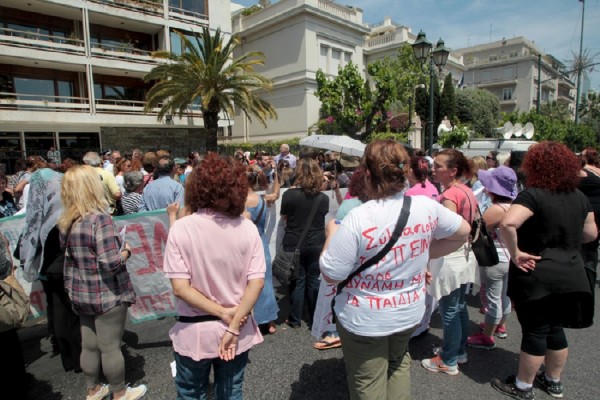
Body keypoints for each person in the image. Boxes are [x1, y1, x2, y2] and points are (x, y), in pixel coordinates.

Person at [320, 140, 471, 400]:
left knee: (369, 380)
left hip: (365, 317)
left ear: (367, 174)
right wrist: (423, 252)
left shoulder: (359, 217)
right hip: (407, 311)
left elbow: (332, 274)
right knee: (398, 363)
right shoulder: (426, 207)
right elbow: (463, 232)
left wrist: (330, 236)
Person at [491, 142, 597, 400]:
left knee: (536, 329)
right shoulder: (579, 196)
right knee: (555, 328)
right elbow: (590, 233)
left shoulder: (533, 194)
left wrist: (515, 253)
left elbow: (508, 222)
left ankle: (523, 385)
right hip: (571, 273)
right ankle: (553, 380)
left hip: (538, 272)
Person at [163, 153, 265, 400]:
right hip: (236, 328)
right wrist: (231, 320)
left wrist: (221, 312)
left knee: (191, 393)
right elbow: (257, 282)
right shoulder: (247, 229)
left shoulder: (180, 229)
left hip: (194, 331)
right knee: (230, 391)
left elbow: (180, 288)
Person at [59, 165, 147, 400]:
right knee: (110, 347)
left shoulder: (67, 222)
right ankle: (119, 392)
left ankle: (93, 389)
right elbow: (111, 263)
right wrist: (126, 251)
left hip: (80, 292)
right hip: (106, 293)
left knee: (89, 345)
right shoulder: (100, 220)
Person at [421, 149, 479, 376]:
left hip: (451, 257)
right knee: (459, 306)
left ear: (453, 171)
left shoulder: (450, 196)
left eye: (438, 166)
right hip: (464, 255)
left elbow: (447, 232)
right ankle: (458, 350)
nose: (433, 169)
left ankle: (448, 358)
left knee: (449, 310)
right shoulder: (466, 190)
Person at [312, 167, 368, 351]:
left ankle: (337, 332)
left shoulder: (350, 206)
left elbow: (338, 237)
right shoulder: (383, 205)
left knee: (341, 294)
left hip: (350, 259)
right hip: (371, 262)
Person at [466, 166, 517, 350]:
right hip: (510, 257)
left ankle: (487, 336)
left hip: (494, 258)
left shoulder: (497, 209)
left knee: (491, 298)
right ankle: (499, 325)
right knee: (504, 296)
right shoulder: (516, 205)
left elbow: (479, 228)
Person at [280, 157, 329, 329]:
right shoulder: (323, 198)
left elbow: (284, 217)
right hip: (317, 241)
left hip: (295, 241)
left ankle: (295, 319)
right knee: (314, 280)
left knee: (297, 280)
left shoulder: (289, 195)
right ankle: (314, 317)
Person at [244, 163, 280, 335]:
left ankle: (254, 320)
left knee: (248, 283)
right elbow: (276, 194)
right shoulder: (264, 199)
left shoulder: (237, 202)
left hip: (244, 246)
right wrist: (277, 176)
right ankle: (271, 321)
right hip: (261, 243)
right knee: (266, 282)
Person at [82, 152, 122, 216]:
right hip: (107, 211)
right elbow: (117, 194)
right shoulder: (107, 174)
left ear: (86, 163)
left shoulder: (82, 176)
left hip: (89, 212)